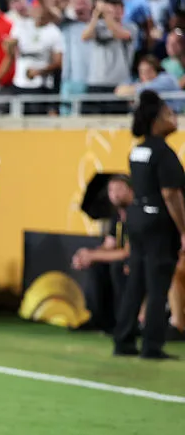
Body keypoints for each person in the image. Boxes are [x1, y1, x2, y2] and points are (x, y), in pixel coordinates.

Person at [113, 91, 185, 360]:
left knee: (136, 283)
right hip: (158, 222)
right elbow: (171, 194)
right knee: (157, 285)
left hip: (138, 217)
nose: (174, 117)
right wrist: (183, 229)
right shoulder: (163, 153)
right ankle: (152, 345)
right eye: (168, 113)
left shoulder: (138, 150)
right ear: (156, 120)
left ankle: (123, 339)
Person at [72, 175, 132, 333]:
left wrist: (93, 255)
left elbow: (127, 252)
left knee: (118, 267)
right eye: (111, 190)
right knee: (96, 267)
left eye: (120, 189)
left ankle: (123, 321)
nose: (115, 194)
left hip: (137, 261)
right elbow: (109, 245)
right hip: (123, 259)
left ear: (131, 190)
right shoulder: (117, 217)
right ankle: (98, 319)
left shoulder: (137, 215)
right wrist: (87, 255)